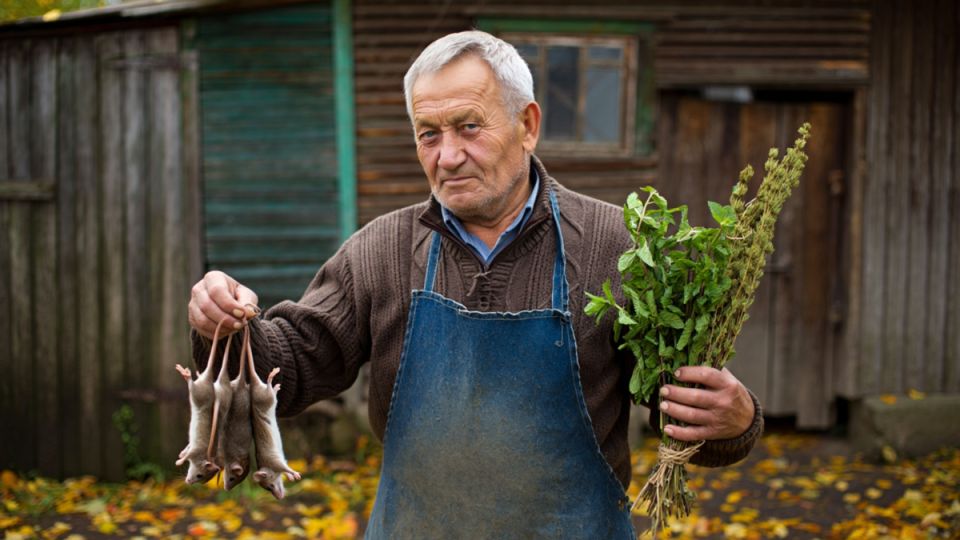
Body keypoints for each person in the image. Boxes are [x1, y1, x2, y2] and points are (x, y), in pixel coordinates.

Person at [188, 30, 762, 539]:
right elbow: (290, 370)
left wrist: (735, 421)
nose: (448, 156)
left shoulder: (619, 247)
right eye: (428, 134)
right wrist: (225, 327)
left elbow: (685, 414)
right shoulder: (382, 251)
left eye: (468, 127)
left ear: (528, 126)